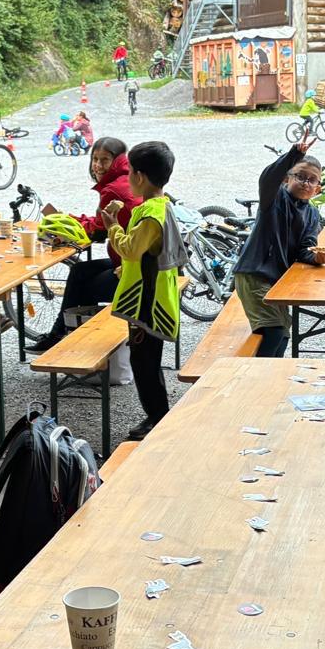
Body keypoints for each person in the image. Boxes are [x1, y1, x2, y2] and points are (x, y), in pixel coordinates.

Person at [107, 141, 185, 439]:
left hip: (148, 302)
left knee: (144, 363)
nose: (127, 179)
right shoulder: (160, 205)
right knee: (146, 360)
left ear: (139, 176)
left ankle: (157, 417)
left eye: (129, 173)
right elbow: (144, 256)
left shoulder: (151, 214)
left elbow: (131, 249)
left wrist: (112, 226)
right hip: (154, 294)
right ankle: (158, 414)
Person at [35, 137, 136, 351]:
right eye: (95, 159)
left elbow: (99, 229)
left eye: (104, 160)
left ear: (117, 160)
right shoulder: (126, 178)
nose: (98, 165)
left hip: (133, 270)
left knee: (82, 287)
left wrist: (69, 222)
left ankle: (77, 340)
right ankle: (61, 334)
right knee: (79, 270)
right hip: (127, 259)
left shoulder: (113, 190)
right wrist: (75, 220)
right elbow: (102, 222)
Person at [236, 138, 325, 358]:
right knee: (273, 332)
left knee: (283, 336)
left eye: (312, 180)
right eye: (300, 176)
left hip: (278, 282)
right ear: (287, 178)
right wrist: (294, 154)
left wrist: (315, 257)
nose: (305, 183)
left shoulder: (312, 214)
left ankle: (268, 374)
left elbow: (305, 248)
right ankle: (251, 374)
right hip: (254, 275)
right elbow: (267, 178)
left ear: (317, 188)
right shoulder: (274, 198)